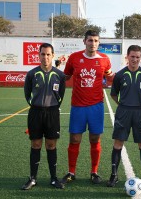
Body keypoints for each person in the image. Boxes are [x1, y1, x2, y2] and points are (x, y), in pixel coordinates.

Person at [61, 30, 113, 185]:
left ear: (99, 43)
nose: (93, 43)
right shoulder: (74, 58)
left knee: (94, 138)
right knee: (75, 139)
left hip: (96, 106)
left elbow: (109, 76)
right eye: (90, 40)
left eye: (96, 40)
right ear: (84, 42)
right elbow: (66, 76)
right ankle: (71, 172)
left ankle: (94, 172)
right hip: (78, 106)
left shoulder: (104, 59)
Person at [106, 45, 141, 188]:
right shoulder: (120, 75)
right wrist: (122, 104)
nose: (135, 59)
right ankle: (114, 175)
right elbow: (113, 94)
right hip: (124, 111)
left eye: (137, 57)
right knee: (118, 143)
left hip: (140, 112)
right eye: (132, 56)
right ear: (127, 57)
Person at [22, 43, 66, 190]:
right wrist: (36, 105)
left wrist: (51, 107)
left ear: (53, 56)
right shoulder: (31, 74)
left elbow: (61, 95)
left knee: (51, 145)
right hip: (35, 113)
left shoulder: (59, 75)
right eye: (43, 54)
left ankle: (53, 178)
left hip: (52, 113)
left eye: (48, 54)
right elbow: (27, 95)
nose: (45, 57)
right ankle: (33, 178)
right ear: (39, 55)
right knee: (35, 144)